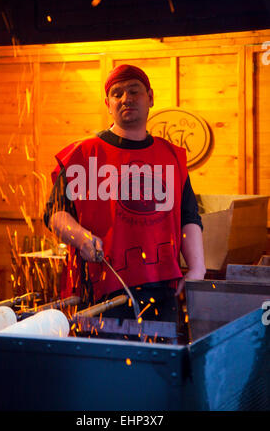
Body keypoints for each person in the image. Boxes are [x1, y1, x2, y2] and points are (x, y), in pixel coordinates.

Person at [43, 64, 205, 326]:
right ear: (108, 103)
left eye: (134, 91)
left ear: (150, 97)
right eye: (117, 93)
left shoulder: (172, 157)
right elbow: (54, 213)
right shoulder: (82, 155)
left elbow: (190, 217)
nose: (126, 98)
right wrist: (82, 238)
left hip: (163, 288)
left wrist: (197, 269)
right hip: (99, 288)